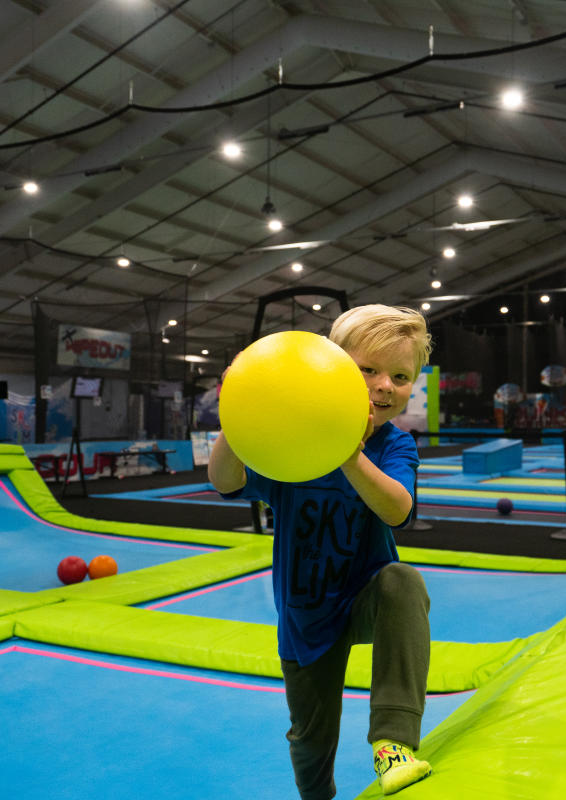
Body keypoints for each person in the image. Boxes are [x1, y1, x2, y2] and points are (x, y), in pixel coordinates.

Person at [208, 305, 434, 799]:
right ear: (330, 371)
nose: (383, 386)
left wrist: (348, 452)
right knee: (310, 738)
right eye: (366, 370)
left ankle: (393, 742)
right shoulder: (294, 443)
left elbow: (398, 510)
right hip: (306, 615)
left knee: (404, 582)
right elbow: (225, 480)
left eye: (400, 376)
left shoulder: (395, 447)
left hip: (364, 596)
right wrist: (237, 414)